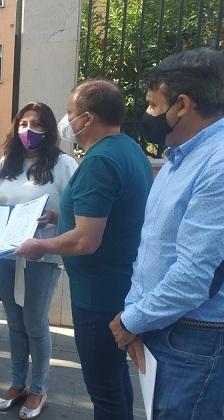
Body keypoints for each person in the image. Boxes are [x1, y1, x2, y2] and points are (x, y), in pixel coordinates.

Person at [16, 80, 152, 420]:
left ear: (87, 119)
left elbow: (85, 240)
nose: (67, 120)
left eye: (70, 113)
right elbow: (109, 214)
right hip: (119, 284)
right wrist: (60, 215)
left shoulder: (99, 161)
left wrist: (39, 245)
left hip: (98, 296)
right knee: (116, 379)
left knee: (103, 390)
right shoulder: (128, 149)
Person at [109, 48, 224, 419]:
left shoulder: (218, 164)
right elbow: (155, 249)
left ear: (182, 105)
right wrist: (138, 315)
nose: (148, 115)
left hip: (196, 337)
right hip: (165, 326)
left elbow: (193, 277)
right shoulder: (180, 156)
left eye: (154, 104)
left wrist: (131, 321)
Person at [0, 102, 78, 418]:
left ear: (49, 129)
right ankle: (17, 383)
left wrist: (55, 214)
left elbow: (79, 209)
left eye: (36, 124)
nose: (28, 130)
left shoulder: (64, 164)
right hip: (6, 253)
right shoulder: (6, 164)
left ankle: (38, 389)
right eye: (23, 123)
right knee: (14, 323)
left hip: (41, 255)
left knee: (35, 324)